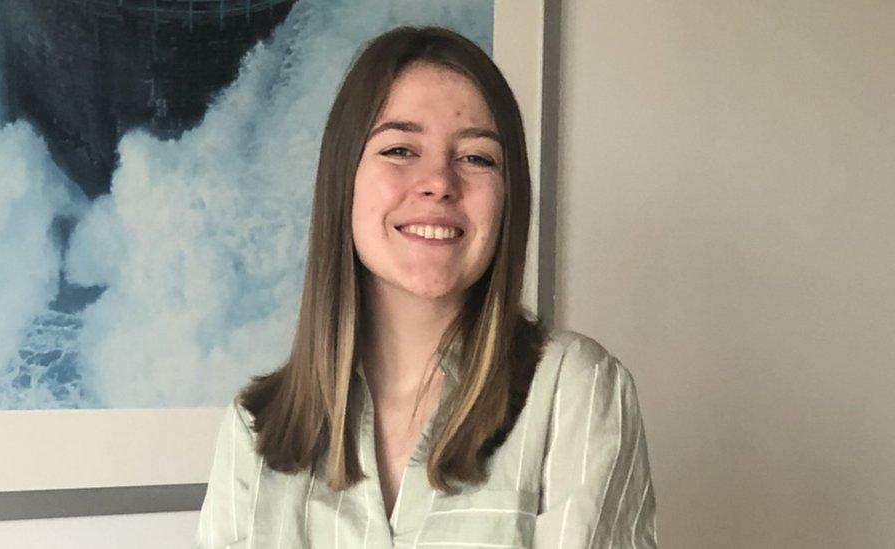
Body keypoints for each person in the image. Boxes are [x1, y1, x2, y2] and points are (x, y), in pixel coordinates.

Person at [194, 26, 658, 548]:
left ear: (509, 198)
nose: (438, 181)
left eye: (476, 157)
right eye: (399, 149)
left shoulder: (576, 391)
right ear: (343, 179)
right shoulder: (253, 429)